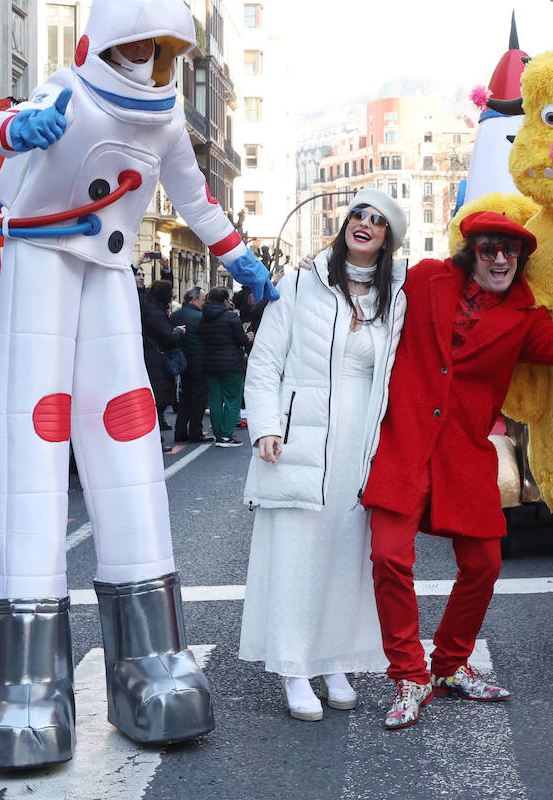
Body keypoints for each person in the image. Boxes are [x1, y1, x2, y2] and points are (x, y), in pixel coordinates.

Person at [0, 0, 274, 769]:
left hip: (105, 272)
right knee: (33, 448)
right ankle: (28, 678)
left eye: (166, 53)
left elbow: (193, 196)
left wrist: (241, 255)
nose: (153, 64)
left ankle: (151, 658)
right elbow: (2, 131)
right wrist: (21, 126)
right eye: (142, 49)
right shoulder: (67, 90)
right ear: (107, 45)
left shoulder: (167, 113)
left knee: (129, 439)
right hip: (38, 262)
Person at [362, 211, 553, 730]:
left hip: (464, 451)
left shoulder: (522, 314)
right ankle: (409, 674)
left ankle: (449, 665)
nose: (500, 259)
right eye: (489, 248)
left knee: (485, 564)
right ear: (470, 250)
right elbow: (367, 288)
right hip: (401, 443)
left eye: (511, 252)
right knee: (388, 556)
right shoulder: (427, 277)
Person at [239, 188, 408, 723]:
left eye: (377, 220)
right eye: (358, 214)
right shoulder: (299, 284)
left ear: (388, 239)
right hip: (300, 438)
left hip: (361, 444)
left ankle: (333, 659)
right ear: (345, 225)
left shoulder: (394, 297)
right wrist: (266, 425)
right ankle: (294, 668)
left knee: (345, 556)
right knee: (296, 557)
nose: (364, 223)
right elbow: (265, 362)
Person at [201, 286, 253, 446]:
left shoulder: (203, 317)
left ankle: (218, 434)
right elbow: (240, 339)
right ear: (225, 300)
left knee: (215, 399)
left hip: (210, 362)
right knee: (232, 399)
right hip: (231, 363)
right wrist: (248, 337)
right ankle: (226, 435)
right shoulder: (231, 317)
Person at [140, 280, 183, 449]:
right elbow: (168, 337)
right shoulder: (155, 312)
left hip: (148, 357)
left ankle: (153, 439)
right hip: (156, 361)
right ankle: (153, 440)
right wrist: (179, 332)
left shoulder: (146, 306)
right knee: (156, 401)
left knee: (154, 401)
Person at [171, 287, 209, 443]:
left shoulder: (174, 316)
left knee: (185, 397)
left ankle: (180, 431)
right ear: (194, 300)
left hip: (181, 361)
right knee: (198, 398)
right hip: (199, 361)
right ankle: (195, 431)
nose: (204, 303)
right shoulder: (201, 317)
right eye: (203, 299)